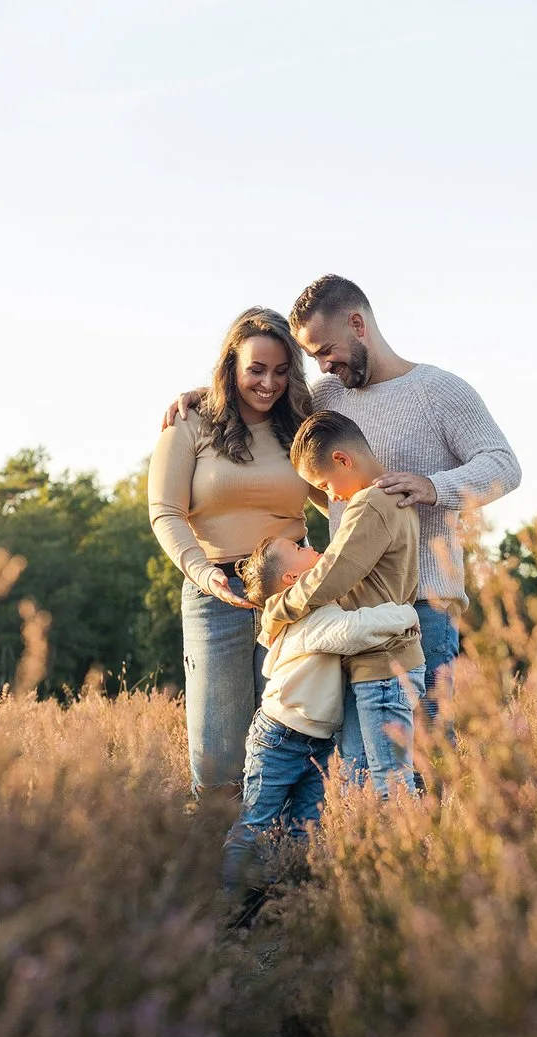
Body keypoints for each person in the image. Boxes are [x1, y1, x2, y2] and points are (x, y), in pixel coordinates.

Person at [168, 275, 522, 737]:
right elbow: (266, 399)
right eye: (313, 357)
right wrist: (207, 396)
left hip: (425, 605)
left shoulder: (440, 391)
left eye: (325, 350)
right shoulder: (326, 396)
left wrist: (432, 486)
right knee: (358, 758)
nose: (322, 365)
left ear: (357, 324)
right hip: (349, 613)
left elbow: (503, 465)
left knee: (428, 751)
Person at [145, 307, 319, 804]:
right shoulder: (189, 422)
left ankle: (285, 848)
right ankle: (218, 848)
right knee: (218, 754)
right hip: (214, 594)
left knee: (291, 739)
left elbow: (338, 490)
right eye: (256, 370)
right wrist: (203, 573)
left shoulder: (300, 427)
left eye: (281, 371)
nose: (269, 383)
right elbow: (165, 511)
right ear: (230, 366)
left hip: (291, 593)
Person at [219, 534, 419, 894]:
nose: (310, 547)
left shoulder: (314, 609)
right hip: (279, 739)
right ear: (293, 579)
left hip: (316, 743)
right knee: (257, 821)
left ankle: (289, 893)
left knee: (305, 825)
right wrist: (405, 613)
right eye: (299, 549)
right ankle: (229, 899)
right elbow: (355, 629)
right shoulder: (310, 618)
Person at [258, 411, 426, 795]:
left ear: (342, 460)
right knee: (364, 778)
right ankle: (362, 836)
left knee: (388, 784)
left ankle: (399, 837)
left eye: (324, 484)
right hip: (379, 661)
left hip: (382, 664)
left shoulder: (370, 504)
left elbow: (331, 573)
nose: (330, 497)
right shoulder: (393, 497)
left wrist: (277, 610)